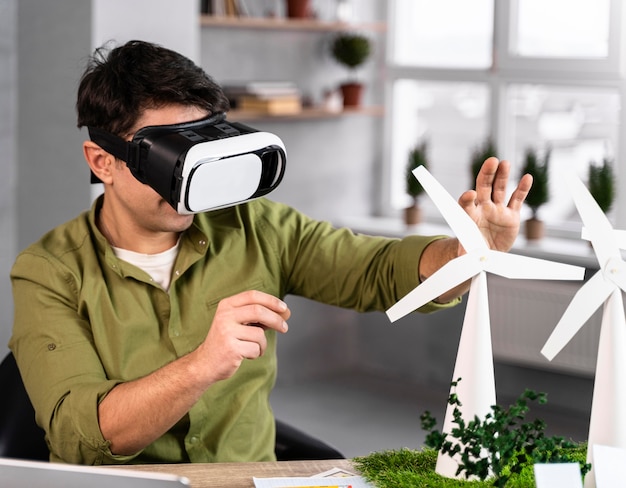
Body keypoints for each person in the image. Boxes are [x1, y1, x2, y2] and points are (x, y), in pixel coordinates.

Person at [9, 40, 532, 466]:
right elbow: (81, 433)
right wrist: (201, 366)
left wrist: (468, 251)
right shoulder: (49, 272)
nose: (193, 180)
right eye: (170, 154)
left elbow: (376, 271)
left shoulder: (256, 226)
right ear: (103, 161)